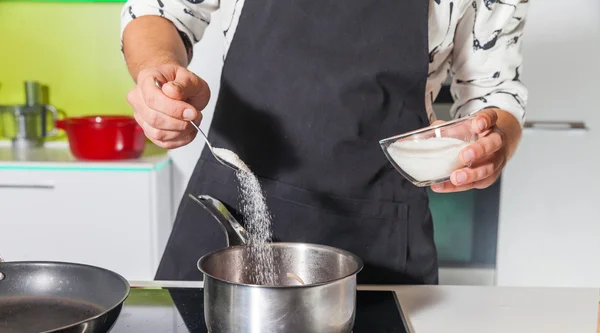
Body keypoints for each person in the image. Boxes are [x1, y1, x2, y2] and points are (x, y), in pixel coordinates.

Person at [119, 0, 529, 284]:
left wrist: (496, 143)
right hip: (232, 217)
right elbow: (159, 11)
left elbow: (494, 93)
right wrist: (160, 71)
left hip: (378, 235)